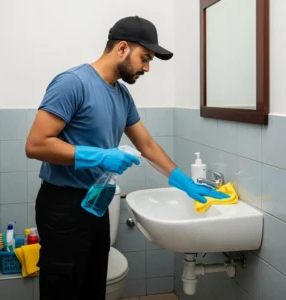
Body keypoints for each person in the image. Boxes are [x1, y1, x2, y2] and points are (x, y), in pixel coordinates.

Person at [25, 16, 228, 300]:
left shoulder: (121, 96)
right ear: (122, 48)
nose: (146, 67)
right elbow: (35, 145)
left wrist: (184, 183)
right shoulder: (72, 83)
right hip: (64, 206)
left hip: (97, 205)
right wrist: (97, 156)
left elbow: (146, 144)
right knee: (63, 291)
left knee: (93, 288)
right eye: (144, 58)